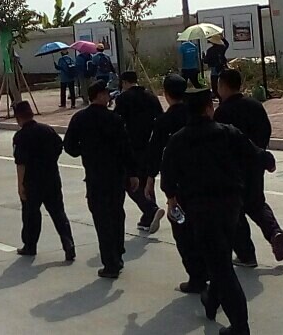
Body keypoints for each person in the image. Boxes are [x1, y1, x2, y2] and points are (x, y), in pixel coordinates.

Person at [161, 86, 273, 335]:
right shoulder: (227, 132)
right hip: (231, 208)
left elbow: (167, 180)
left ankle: (240, 327)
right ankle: (211, 300)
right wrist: (268, 161)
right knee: (219, 258)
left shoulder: (178, 140)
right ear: (209, 108)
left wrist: (172, 200)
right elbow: (253, 153)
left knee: (221, 268)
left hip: (200, 212)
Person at [63, 79, 137, 279]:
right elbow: (125, 147)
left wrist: (85, 150)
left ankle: (110, 262)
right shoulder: (114, 119)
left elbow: (69, 146)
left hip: (95, 176)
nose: (109, 97)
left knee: (102, 219)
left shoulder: (80, 119)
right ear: (99, 96)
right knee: (116, 214)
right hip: (116, 176)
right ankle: (118, 252)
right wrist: (132, 173)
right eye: (106, 93)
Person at [215, 68, 283, 267]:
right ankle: (274, 231)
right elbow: (266, 130)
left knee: (235, 211)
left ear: (223, 86)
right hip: (255, 164)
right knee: (256, 203)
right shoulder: (255, 105)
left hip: (233, 169)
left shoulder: (223, 112)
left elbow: (221, 142)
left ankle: (246, 255)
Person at [144, 75, 204, 292]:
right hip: (204, 179)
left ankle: (196, 277)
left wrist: (150, 179)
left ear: (166, 94)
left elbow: (155, 151)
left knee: (182, 230)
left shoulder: (164, 121)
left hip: (178, 186)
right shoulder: (195, 114)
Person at [12, 100, 77, 260]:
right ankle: (68, 243)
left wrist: (20, 186)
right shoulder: (47, 130)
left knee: (31, 215)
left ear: (18, 117)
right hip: (51, 177)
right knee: (58, 212)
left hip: (32, 181)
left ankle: (30, 245)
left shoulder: (20, 136)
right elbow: (59, 147)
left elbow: (20, 164)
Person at [113, 71, 165, 234]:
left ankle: (151, 209)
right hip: (149, 145)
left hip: (131, 147)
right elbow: (161, 119)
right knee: (146, 181)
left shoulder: (123, 99)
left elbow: (117, 122)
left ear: (124, 82)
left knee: (131, 183)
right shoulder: (151, 96)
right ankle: (148, 218)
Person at [204, 34, 230, 98]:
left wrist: (203, 58)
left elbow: (206, 61)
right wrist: (223, 38)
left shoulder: (210, 50)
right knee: (223, 81)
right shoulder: (222, 48)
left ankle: (216, 94)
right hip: (222, 66)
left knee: (214, 83)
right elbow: (227, 44)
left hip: (214, 68)